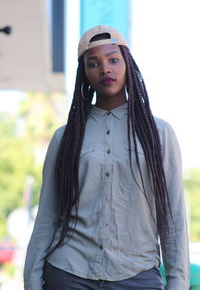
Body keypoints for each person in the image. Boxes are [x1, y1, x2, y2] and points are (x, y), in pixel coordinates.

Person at [24, 25, 189, 290]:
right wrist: (32, 281)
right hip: (69, 272)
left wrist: (177, 282)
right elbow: (48, 214)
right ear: (85, 73)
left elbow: (173, 217)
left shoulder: (159, 133)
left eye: (113, 60)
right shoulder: (65, 137)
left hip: (137, 274)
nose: (105, 69)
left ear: (128, 64)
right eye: (94, 63)